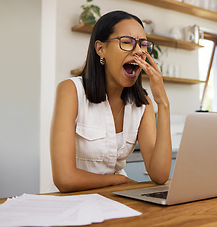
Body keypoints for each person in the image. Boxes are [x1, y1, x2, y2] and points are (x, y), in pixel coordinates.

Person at [50, 10, 172, 193]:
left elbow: (160, 175)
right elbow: (65, 179)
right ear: (101, 49)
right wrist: (117, 180)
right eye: (126, 42)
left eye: (143, 45)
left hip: (118, 199)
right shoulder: (70, 91)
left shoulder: (142, 103)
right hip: (74, 202)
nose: (139, 51)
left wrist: (163, 104)